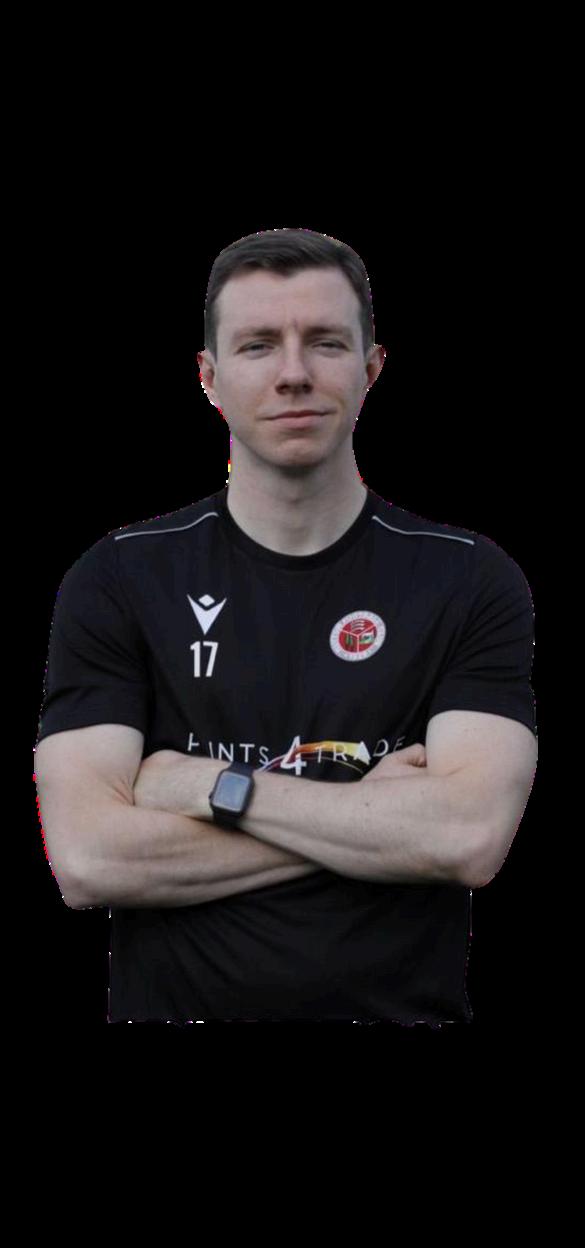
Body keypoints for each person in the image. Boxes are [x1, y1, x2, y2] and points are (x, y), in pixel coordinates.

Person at [34, 228, 536, 1024]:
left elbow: (465, 840)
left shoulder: (468, 579)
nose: (294, 372)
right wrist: (372, 823)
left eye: (326, 342)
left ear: (371, 368)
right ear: (209, 376)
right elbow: (88, 859)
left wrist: (203, 787)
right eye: (259, 344)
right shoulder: (119, 577)